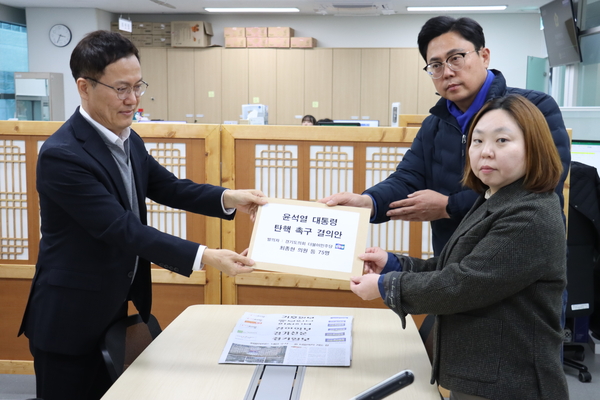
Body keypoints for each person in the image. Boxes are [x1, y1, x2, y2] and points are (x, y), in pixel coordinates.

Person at [18, 30, 266, 400]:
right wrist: (207, 257)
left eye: (138, 86)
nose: (132, 100)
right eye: (121, 89)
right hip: (68, 319)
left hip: (113, 308)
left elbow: (168, 187)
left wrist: (230, 197)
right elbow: (121, 229)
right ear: (84, 87)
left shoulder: (128, 137)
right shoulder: (63, 155)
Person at [350, 94, 568, 400]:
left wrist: (386, 286)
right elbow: (451, 267)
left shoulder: (530, 214)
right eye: (477, 141)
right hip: (482, 373)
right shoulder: (495, 198)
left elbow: (463, 284)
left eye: (502, 140)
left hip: (511, 382)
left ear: (534, 147)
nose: (486, 152)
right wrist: (392, 264)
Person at [319, 16, 570, 257]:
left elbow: (539, 183)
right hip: (454, 264)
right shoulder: (434, 124)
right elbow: (408, 179)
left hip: (520, 257)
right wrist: (369, 202)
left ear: (484, 56)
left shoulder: (534, 108)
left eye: (456, 58)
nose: (447, 72)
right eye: (436, 65)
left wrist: (449, 207)